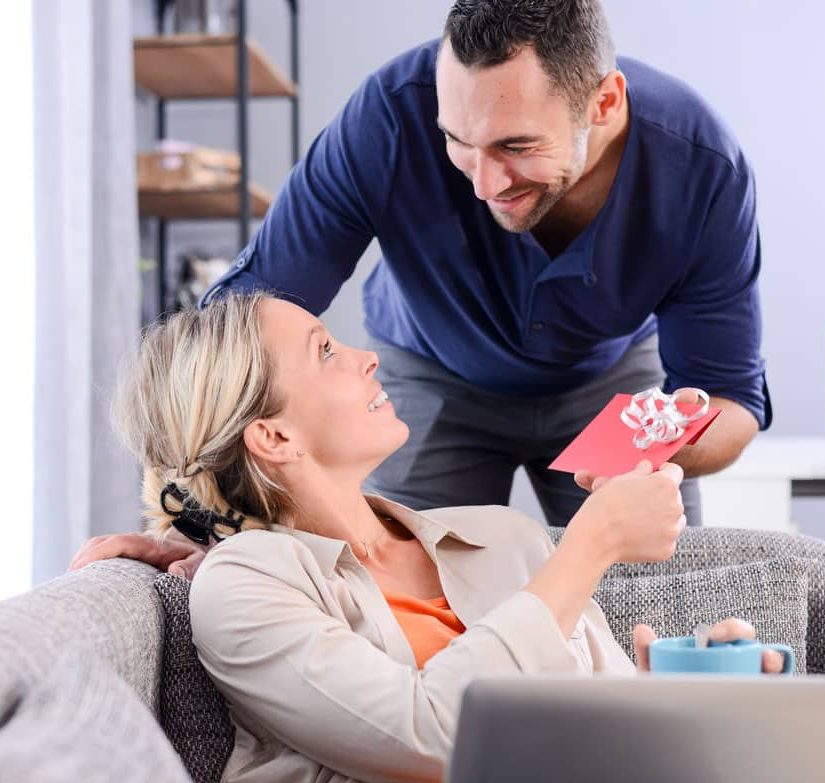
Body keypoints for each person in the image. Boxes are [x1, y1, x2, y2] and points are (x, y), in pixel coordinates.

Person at [71, 294, 784, 783]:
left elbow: (595, 740)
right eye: (325, 351)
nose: (368, 355)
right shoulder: (246, 582)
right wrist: (588, 546)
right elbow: (435, 729)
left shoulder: (503, 539)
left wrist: (679, 692)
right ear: (273, 434)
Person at [198, 0, 770, 527]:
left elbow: (730, 397)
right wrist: (202, 516)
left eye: (516, 147)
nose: (485, 184)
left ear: (604, 102)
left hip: (612, 388)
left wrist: (655, 444)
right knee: (395, 598)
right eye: (457, 141)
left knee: (652, 591)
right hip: (428, 369)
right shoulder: (387, 118)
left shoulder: (704, 169)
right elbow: (245, 319)